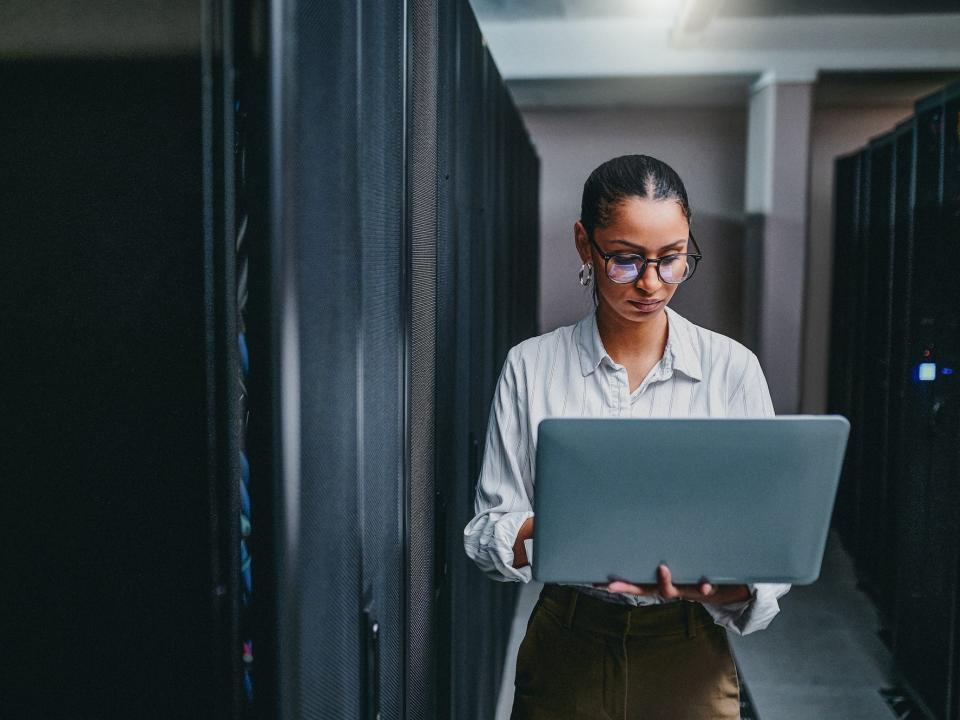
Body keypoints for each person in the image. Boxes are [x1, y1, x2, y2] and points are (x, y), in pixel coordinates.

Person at [462, 154, 792, 720]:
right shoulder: (531, 366)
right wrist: (570, 528)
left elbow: (769, 555)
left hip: (688, 645)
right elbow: (487, 532)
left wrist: (717, 587)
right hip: (569, 639)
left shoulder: (731, 369)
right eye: (625, 260)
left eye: (672, 261)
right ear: (584, 245)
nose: (650, 283)